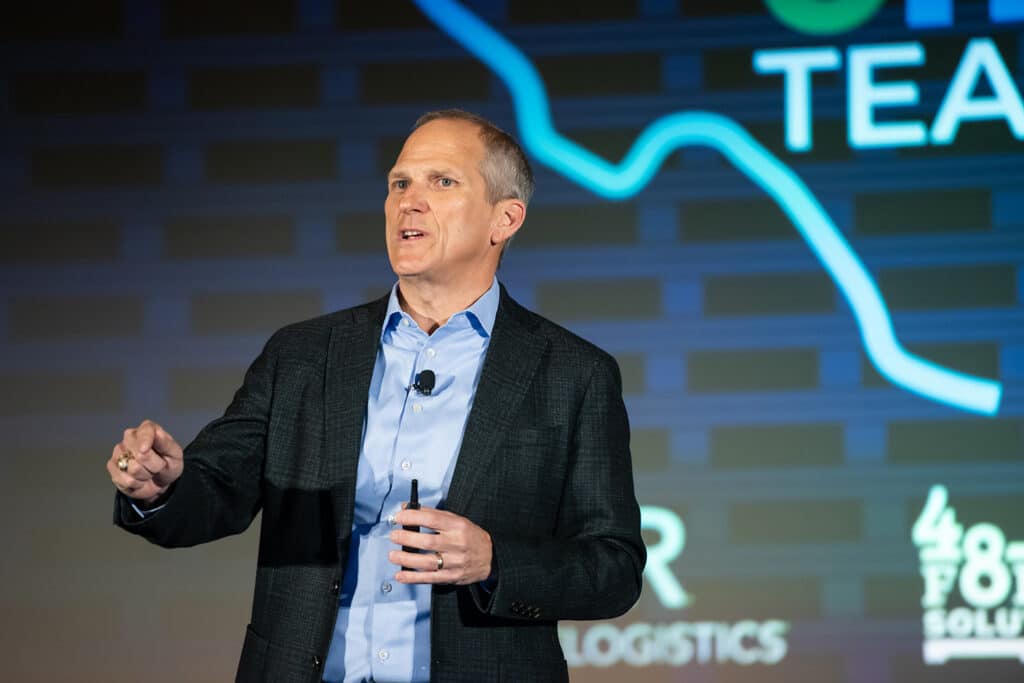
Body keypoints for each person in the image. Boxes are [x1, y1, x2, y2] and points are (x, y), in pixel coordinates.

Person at [108, 109, 645, 683]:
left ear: (505, 219)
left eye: (442, 182)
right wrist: (161, 488)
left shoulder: (573, 374)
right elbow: (217, 488)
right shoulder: (303, 354)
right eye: (399, 183)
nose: (409, 201)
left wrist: (495, 561)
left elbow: (612, 567)